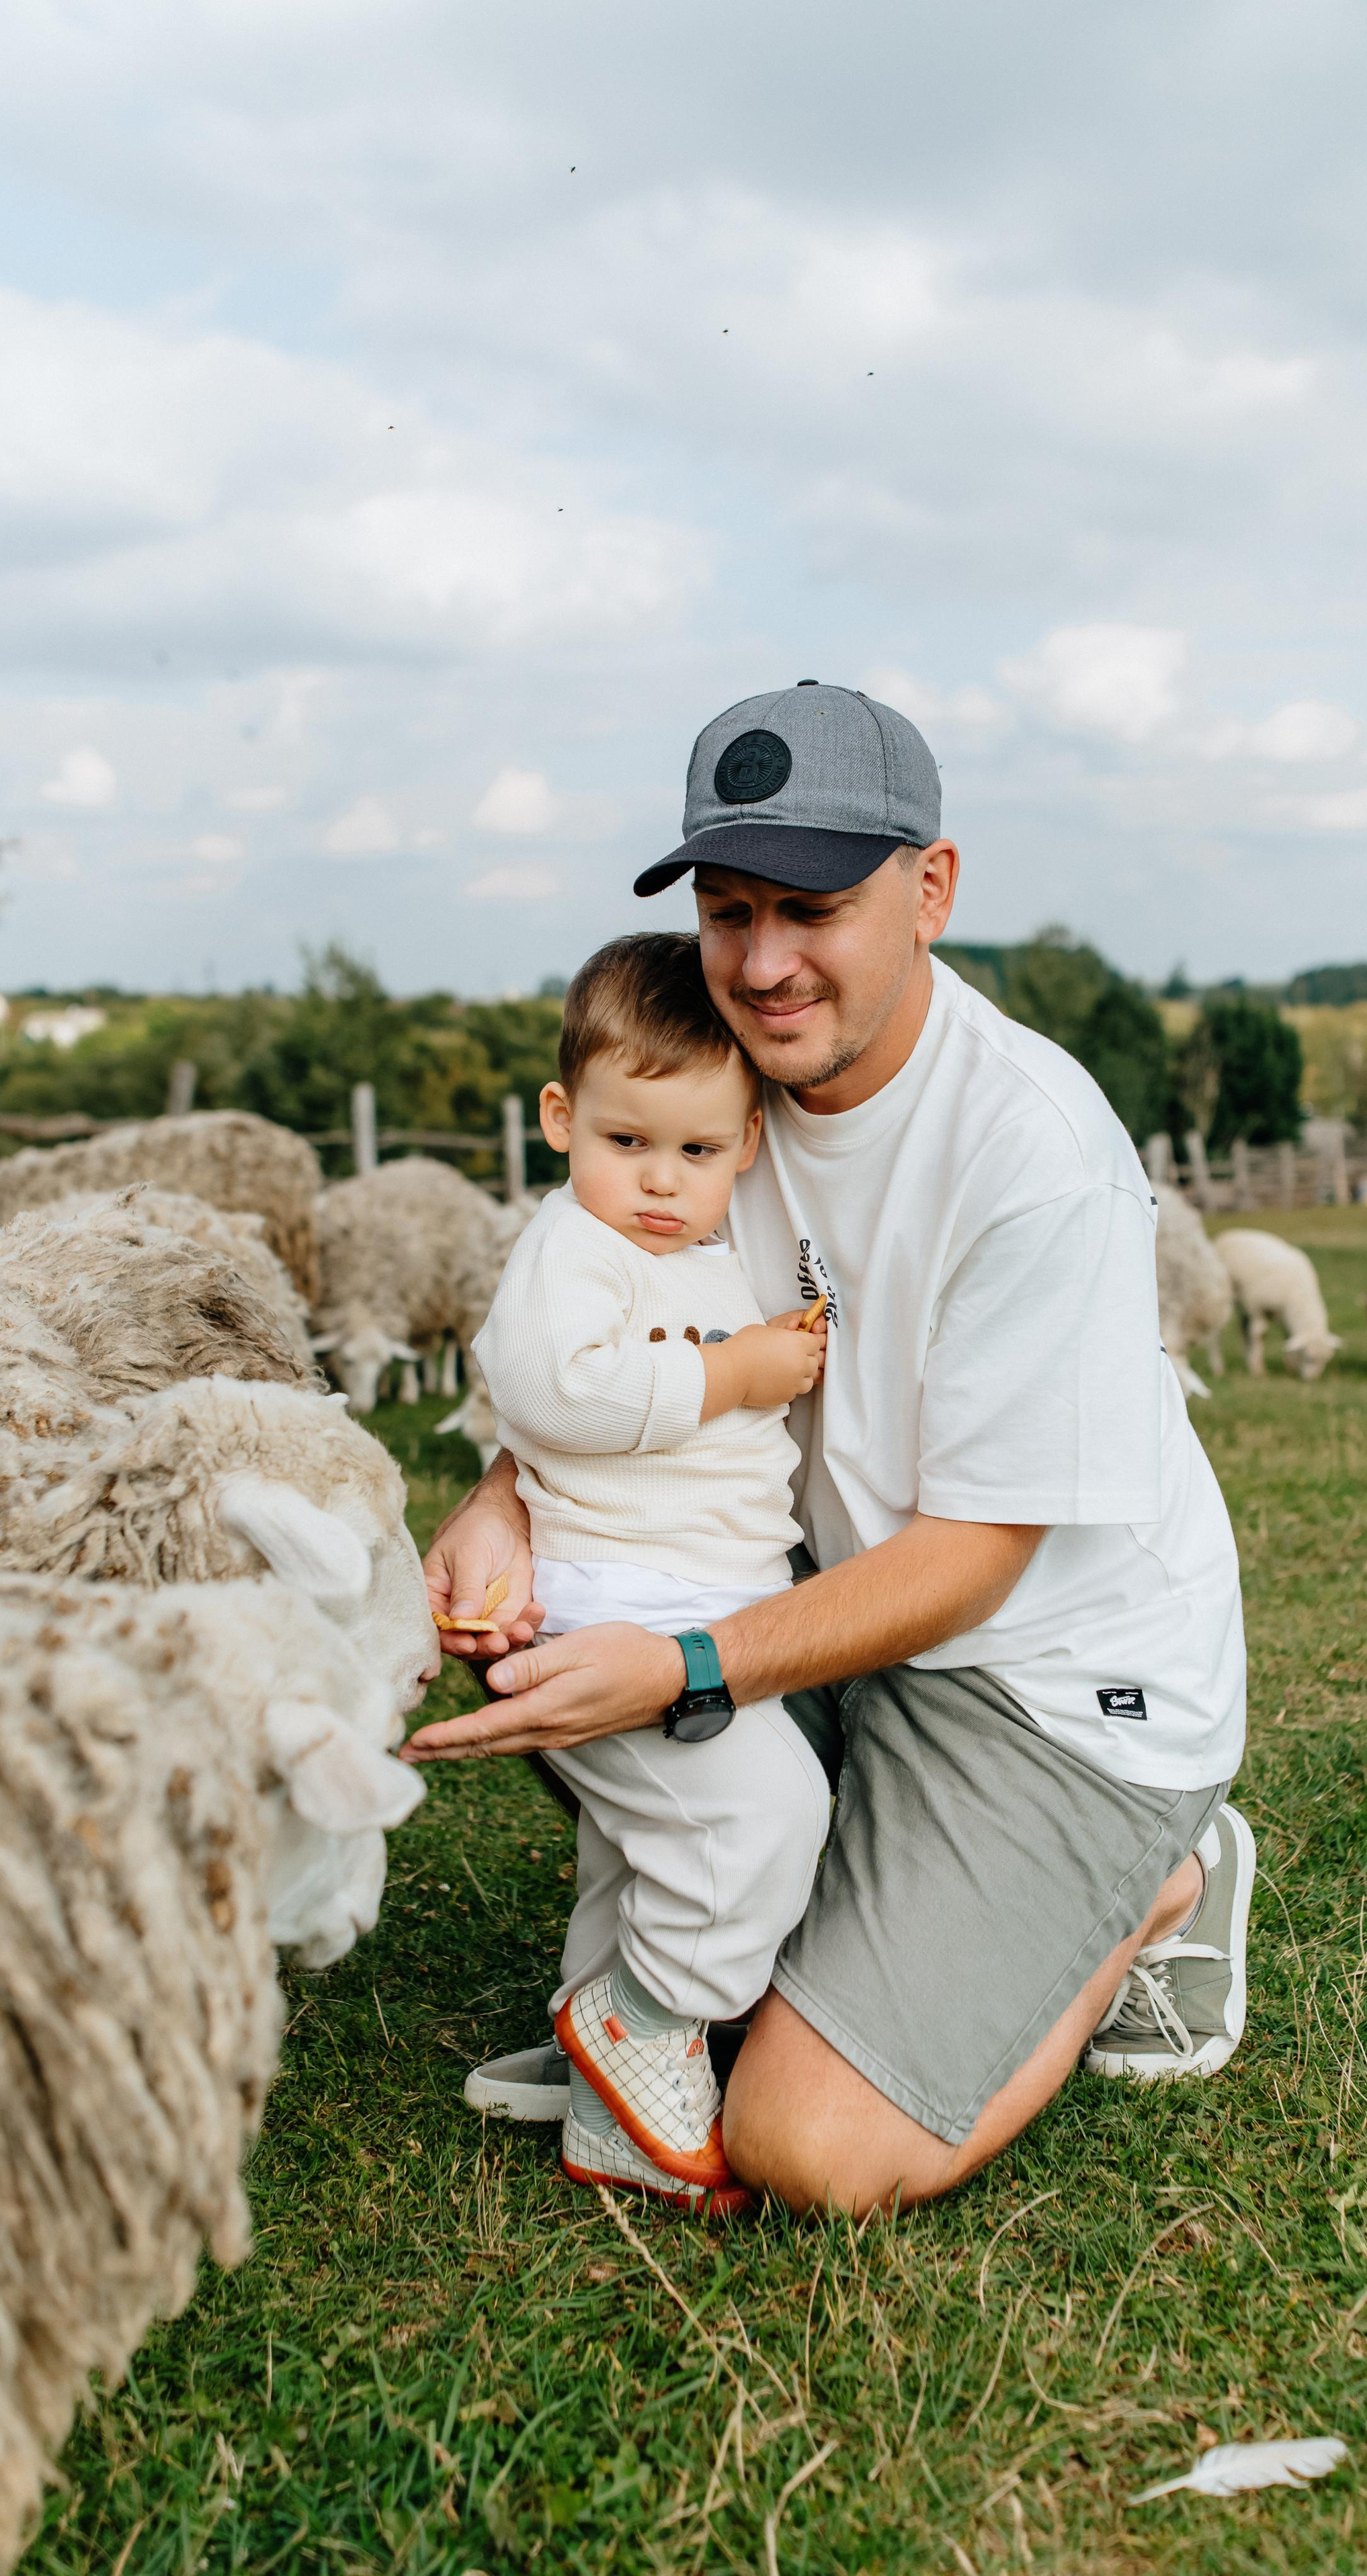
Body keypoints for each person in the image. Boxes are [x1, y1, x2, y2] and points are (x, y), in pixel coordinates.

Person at [407, 680, 1254, 2218]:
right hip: (827, 1600)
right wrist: (503, 1502)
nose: (762, 963)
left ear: (929, 891)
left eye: (812, 908)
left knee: (809, 2150)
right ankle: (672, 2004)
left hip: (1044, 1685)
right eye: (726, 912)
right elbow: (624, 1347)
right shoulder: (710, 1099)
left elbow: (974, 1562)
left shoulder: (1030, 1154)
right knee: (542, 1624)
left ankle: (1149, 1882)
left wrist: (685, 1668)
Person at [468, 933, 831, 2213]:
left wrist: (759, 1345)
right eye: (629, 1141)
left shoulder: (699, 1251)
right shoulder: (571, 1245)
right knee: (763, 1815)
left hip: (698, 1599)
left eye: (698, 1150)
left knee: (643, 1846)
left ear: (748, 1144)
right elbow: (550, 1388)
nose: (663, 1181)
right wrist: (732, 1373)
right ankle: (650, 2016)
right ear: (562, 1120)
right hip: (611, 1605)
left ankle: (606, 2098)